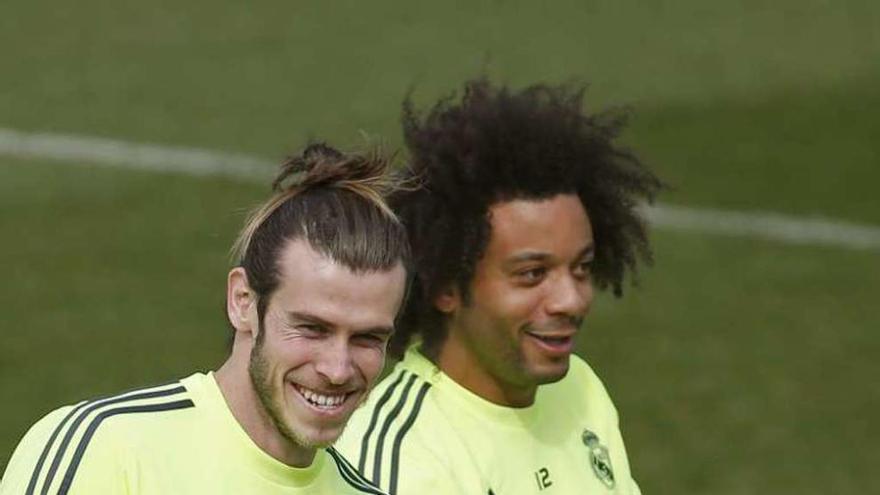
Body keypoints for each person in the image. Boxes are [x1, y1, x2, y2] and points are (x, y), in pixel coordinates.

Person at [0, 143, 410, 494]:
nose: (337, 369)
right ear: (243, 301)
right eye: (312, 328)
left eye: (367, 338)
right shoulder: (105, 451)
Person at [335, 79, 663, 494]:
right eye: (532, 274)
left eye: (581, 268)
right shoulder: (401, 460)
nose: (571, 300)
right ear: (446, 286)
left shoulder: (580, 389)